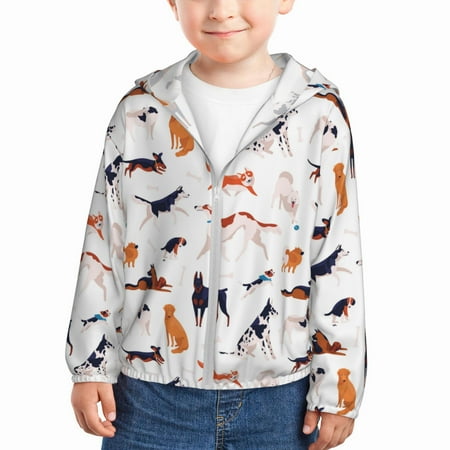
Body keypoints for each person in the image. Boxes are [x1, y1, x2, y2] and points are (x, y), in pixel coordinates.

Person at [66, 1, 367, 449]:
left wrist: (339, 386)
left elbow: (337, 247)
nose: (222, 10)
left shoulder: (318, 112)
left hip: (279, 401)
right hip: (148, 398)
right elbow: (104, 237)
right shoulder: (141, 109)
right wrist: (90, 363)